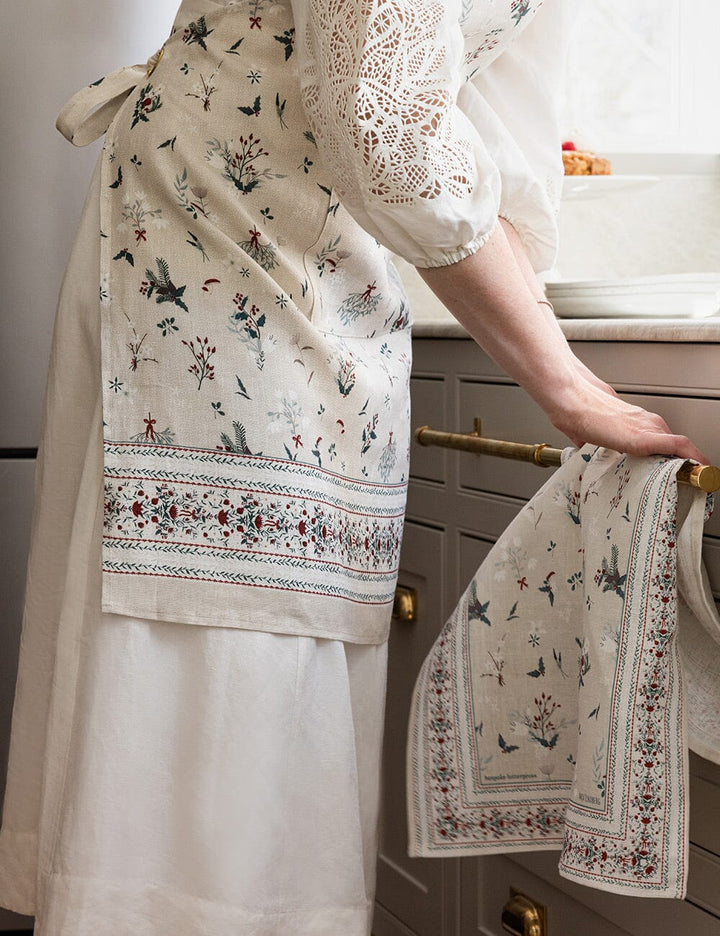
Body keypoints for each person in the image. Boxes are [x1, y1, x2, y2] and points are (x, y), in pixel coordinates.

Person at [0, 1, 707, 935]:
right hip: (212, 252)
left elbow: (496, 115)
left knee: (274, 665)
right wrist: (566, 386)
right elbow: (387, 133)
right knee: (214, 653)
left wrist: (530, 316)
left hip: (314, 276)